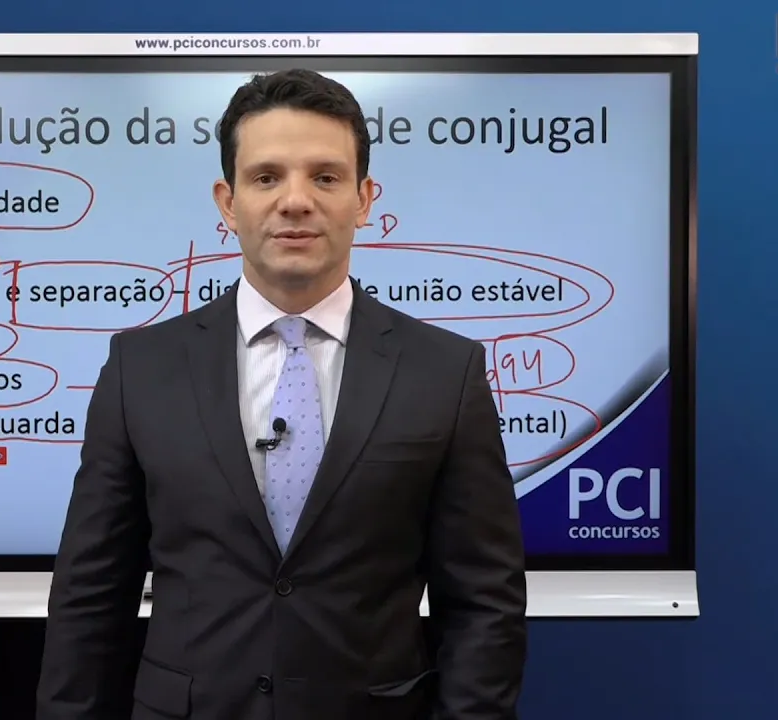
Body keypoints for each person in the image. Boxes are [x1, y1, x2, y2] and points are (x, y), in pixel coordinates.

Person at [37, 68, 528, 720]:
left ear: (364, 198)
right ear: (227, 202)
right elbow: (91, 594)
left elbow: (485, 602)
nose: (295, 201)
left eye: (325, 177)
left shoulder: (446, 371)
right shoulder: (141, 368)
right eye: (266, 177)